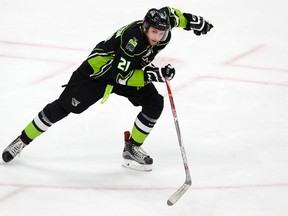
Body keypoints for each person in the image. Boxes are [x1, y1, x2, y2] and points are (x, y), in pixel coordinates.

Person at [2, 7, 213, 171]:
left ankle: (131, 148)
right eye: (154, 32)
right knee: (63, 107)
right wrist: (152, 74)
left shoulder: (164, 26)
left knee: (154, 102)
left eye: (161, 32)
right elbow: (121, 77)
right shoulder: (133, 42)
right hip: (97, 75)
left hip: (128, 71)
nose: (157, 36)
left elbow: (173, 14)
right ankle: (21, 140)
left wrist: (192, 22)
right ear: (145, 27)